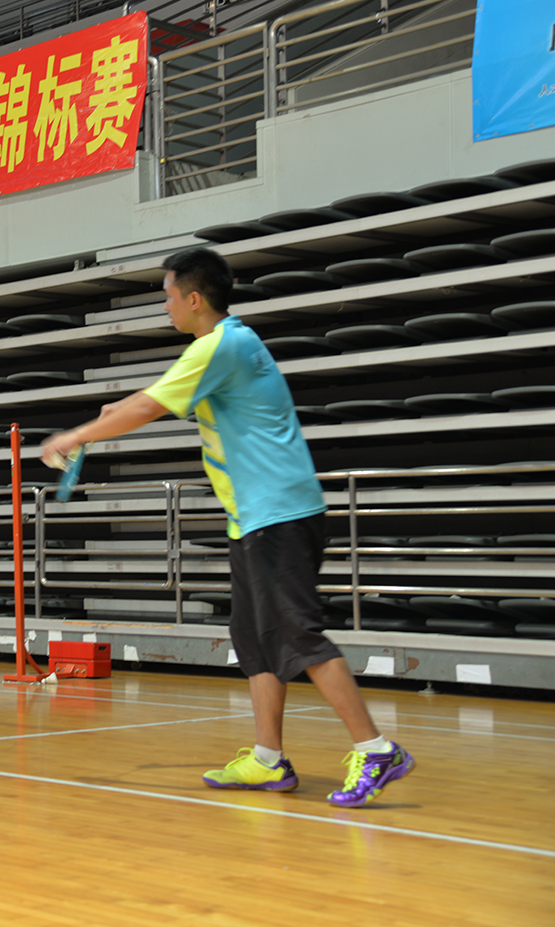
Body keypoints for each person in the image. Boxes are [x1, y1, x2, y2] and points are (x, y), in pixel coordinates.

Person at [42, 247, 414, 808]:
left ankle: (376, 748)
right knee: (256, 639)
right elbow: (147, 398)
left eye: (168, 297)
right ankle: (268, 759)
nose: (165, 306)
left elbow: (147, 407)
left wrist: (74, 436)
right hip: (255, 519)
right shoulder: (221, 346)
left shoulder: (221, 346)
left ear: (194, 299)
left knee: (297, 633)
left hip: (279, 515)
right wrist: (108, 415)